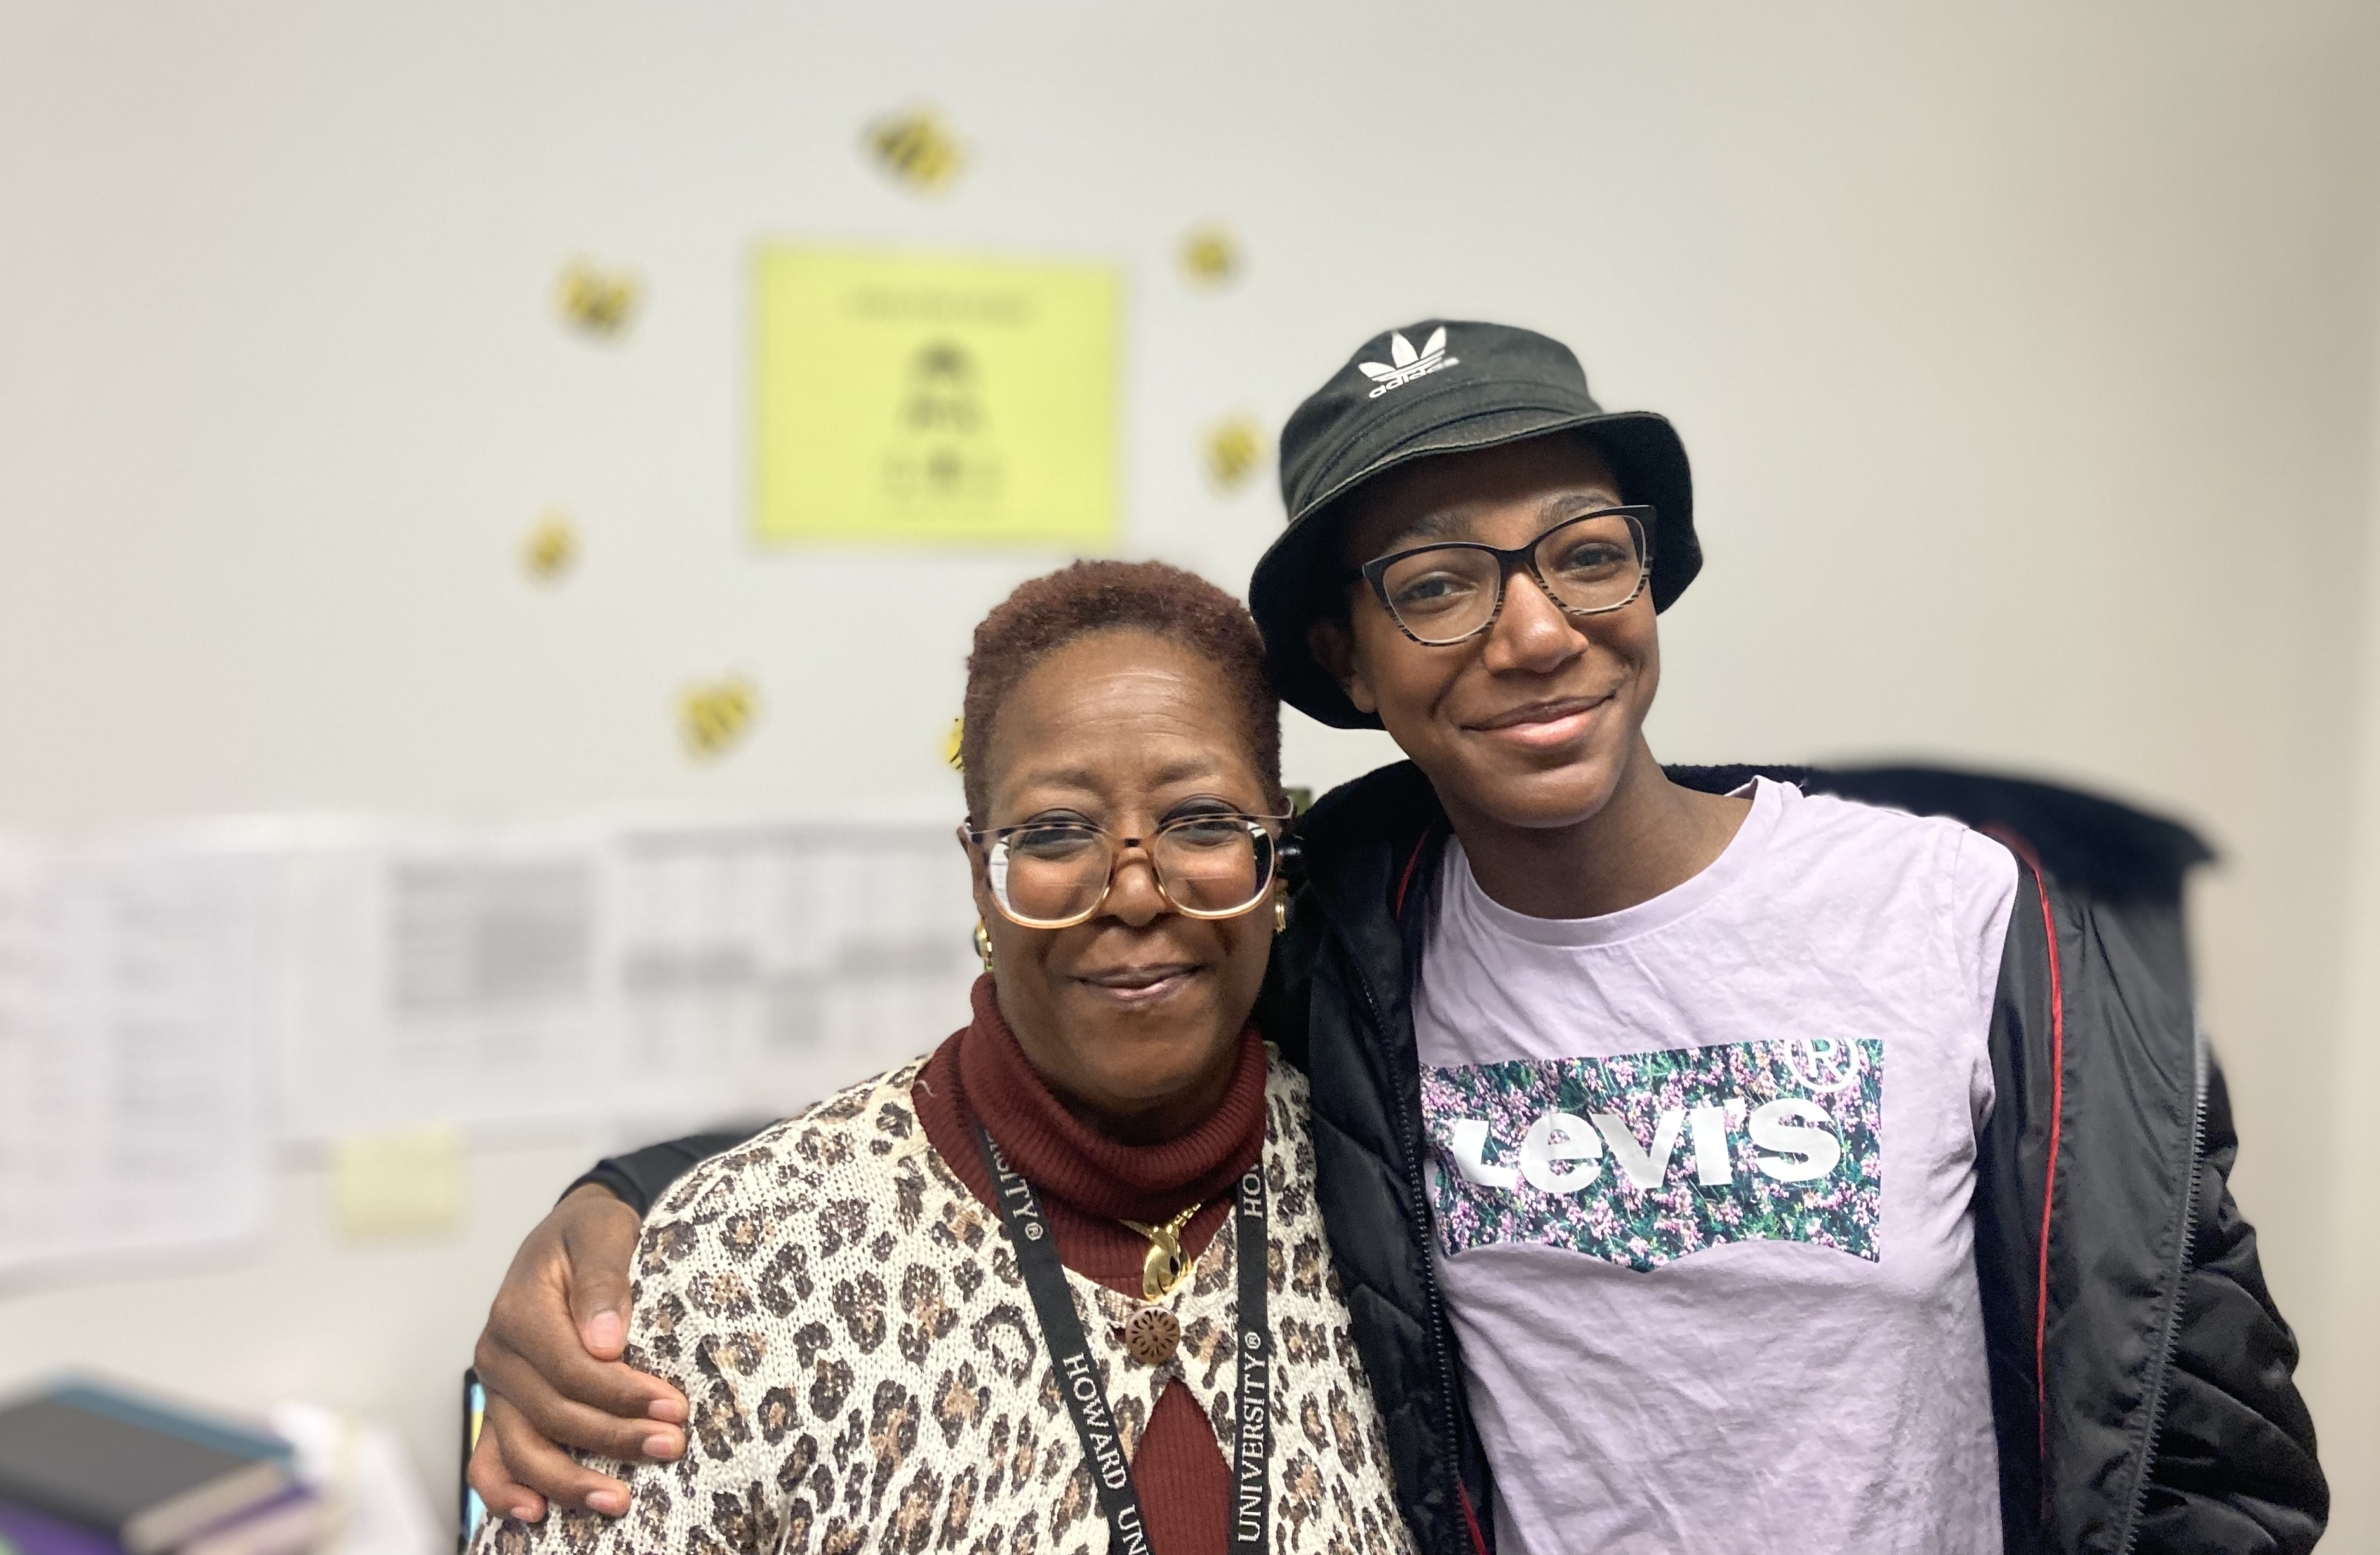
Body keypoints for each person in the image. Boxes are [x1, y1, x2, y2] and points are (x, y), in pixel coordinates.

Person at [471, 322, 2326, 1554]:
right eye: (1434, 582)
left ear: (1649, 576)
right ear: (1351, 671)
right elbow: (1068, 1053)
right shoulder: (1359, 937)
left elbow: (2204, 1441)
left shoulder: (1988, 921)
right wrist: (640, 1197)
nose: (1529, 631)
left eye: (1580, 550)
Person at [471, 561, 1418, 1555]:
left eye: (1201, 822)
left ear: (1275, 848)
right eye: (1056, 832)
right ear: (980, 875)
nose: (1137, 893)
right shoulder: (732, 1273)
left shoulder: (1398, 1189)